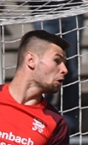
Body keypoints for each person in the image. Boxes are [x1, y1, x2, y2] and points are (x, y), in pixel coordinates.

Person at [30, 1, 84, 132]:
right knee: (45, 67)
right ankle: (40, 118)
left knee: (70, 70)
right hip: (43, 7)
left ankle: (68, 125)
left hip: (73, 6)